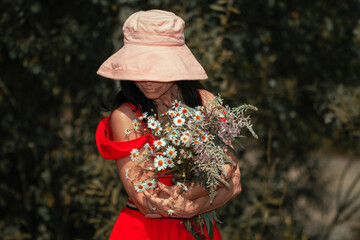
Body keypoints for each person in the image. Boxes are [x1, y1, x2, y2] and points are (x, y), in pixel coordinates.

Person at [95, 10, 241, 239]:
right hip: (143, 231)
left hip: (197, 231)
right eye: (138, 67)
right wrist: (206, 193)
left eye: (157, 67)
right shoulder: (126, 116)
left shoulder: (206, 102)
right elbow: (146, 199)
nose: (147, 79)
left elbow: (235, 181)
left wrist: (192, 207)